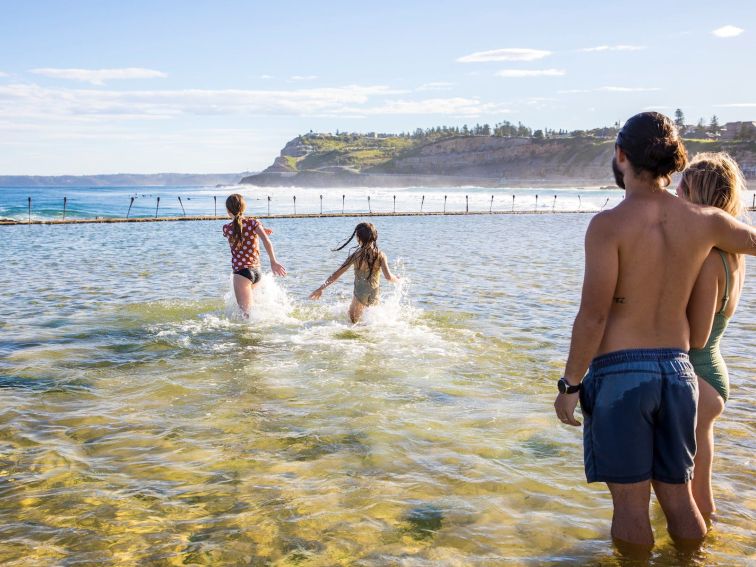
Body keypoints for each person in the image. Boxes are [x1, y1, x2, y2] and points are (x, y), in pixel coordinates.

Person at [553, 112, 756, 550]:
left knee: (630, 509)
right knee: (680, 502)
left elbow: (594, 316)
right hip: (680, 374)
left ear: (621, 156)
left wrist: (569, 385)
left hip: (623, 377)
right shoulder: (706, 220)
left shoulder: (608, 226)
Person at [677, 153, 748, 521]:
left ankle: (696, 554)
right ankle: (706, 550)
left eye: (682, 186)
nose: (675, 192)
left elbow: (698, 338)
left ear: (696, 194)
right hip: (714, 376)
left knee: (692, 494)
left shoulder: (707, 259)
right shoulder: (734, 254)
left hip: (699, 377)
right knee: (698, 486)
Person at [309, 222, 399, 322]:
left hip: (360, 294)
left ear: (358, 239)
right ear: (374, 236)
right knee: (370, 323)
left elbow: (336, 275)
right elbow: (388, 277)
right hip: (375, 293)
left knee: (353, 323)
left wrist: (321, 288)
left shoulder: (356, 256)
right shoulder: (381, 255)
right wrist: (398, 280)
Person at [222, 193, 286, 316]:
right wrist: (273, 261)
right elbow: (266, 240)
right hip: (257, 272)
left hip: (242, 273)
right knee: (252, 313)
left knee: (246, 316)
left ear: (228, 210)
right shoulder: (254, 223)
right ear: (244, 208)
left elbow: (238, 231)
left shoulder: (227, 228)